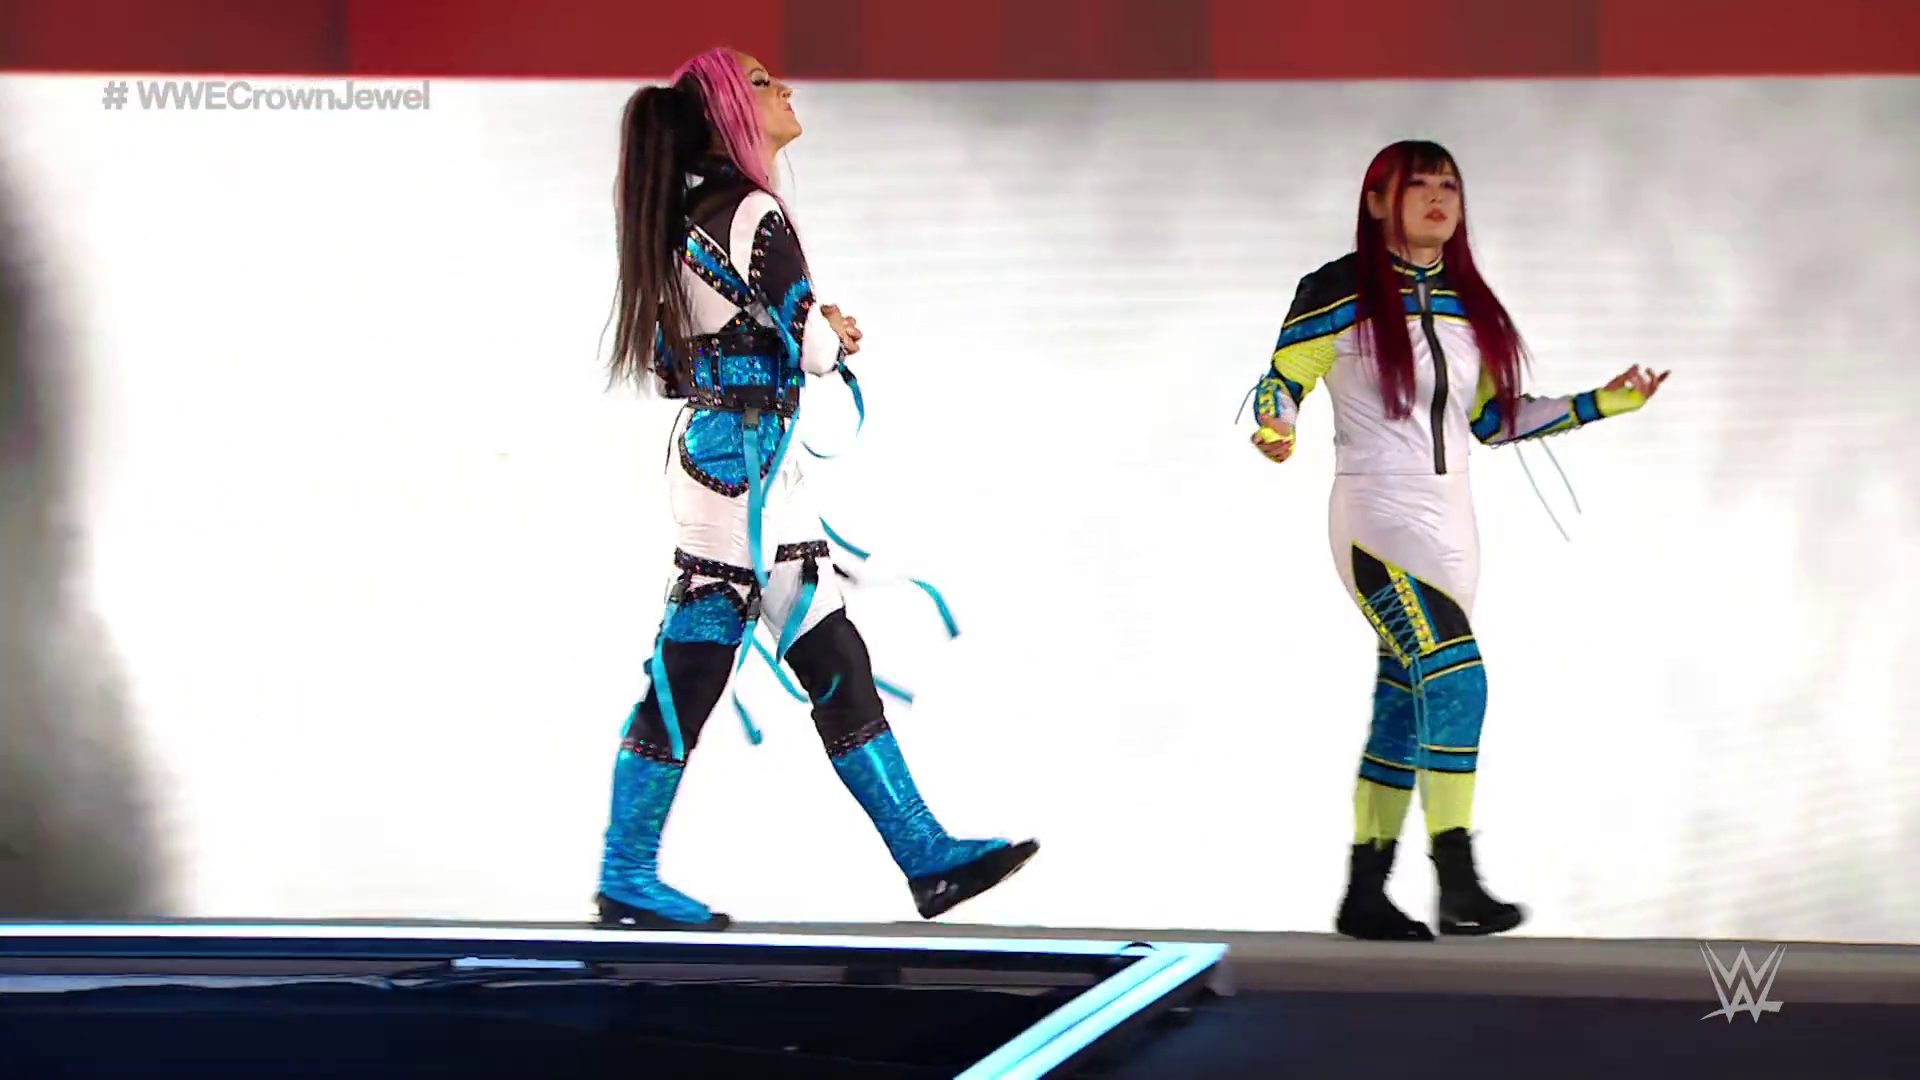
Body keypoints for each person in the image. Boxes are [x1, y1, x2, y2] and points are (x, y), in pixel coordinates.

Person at [594, 47, 1038, 931]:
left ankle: (925, 857)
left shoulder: (680, 217)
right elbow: (815, 349)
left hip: (736, 463)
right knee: (700, 666)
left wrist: (794, 340)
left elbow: (674, 366)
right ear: (729, 110)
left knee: (825, 654)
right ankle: (628, 873)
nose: (786, 89)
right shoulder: (752, 210)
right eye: (764, 82)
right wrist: (829, 329)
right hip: (746, 472)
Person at [1247, 140, 1667, 941]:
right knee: (1457, 679)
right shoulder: (1336, 291)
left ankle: (1365, 894)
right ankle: (1458, 880)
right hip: (1376, 517)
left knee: (1405, 706)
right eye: (1420, 185)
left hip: (1454, 527)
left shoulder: (1467, 303)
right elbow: (1283, 380)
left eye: (1450, 184)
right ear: (1378, 201)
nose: (1439, 197)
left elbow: (1493, 421)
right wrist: (1277, 425)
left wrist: (1603, 402)